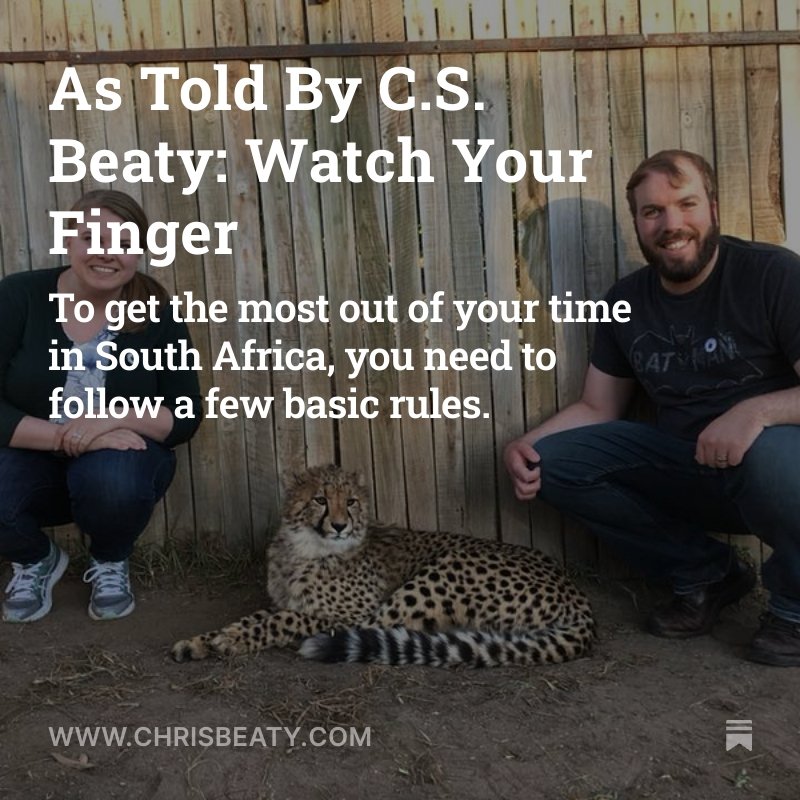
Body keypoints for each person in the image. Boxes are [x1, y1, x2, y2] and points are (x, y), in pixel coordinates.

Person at [504, 149, 800, 667]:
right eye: (652, 212)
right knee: (552, 462)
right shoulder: (627, 300)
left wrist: (754, 414)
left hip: (775, 471)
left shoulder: (771, 274)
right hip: (690, 470)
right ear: (637, 223)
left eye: (685, 204)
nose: (671, 224)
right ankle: (707, 575)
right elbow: (599, 406)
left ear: (712, 206)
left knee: (771, 453)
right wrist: (527, 446)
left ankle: (795, 609)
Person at [0, 190, 202, 623]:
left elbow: (185, 414)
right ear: (69, 241)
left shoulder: (157, 313)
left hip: (119, 464)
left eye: (125, 244)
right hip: (27, 456)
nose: (108, 254)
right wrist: (66, 435)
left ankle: (110, 559)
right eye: (93, 239)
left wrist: (108, 419)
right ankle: (35, 559)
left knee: (115, 478)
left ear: (138, 253)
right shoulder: (20, 297)